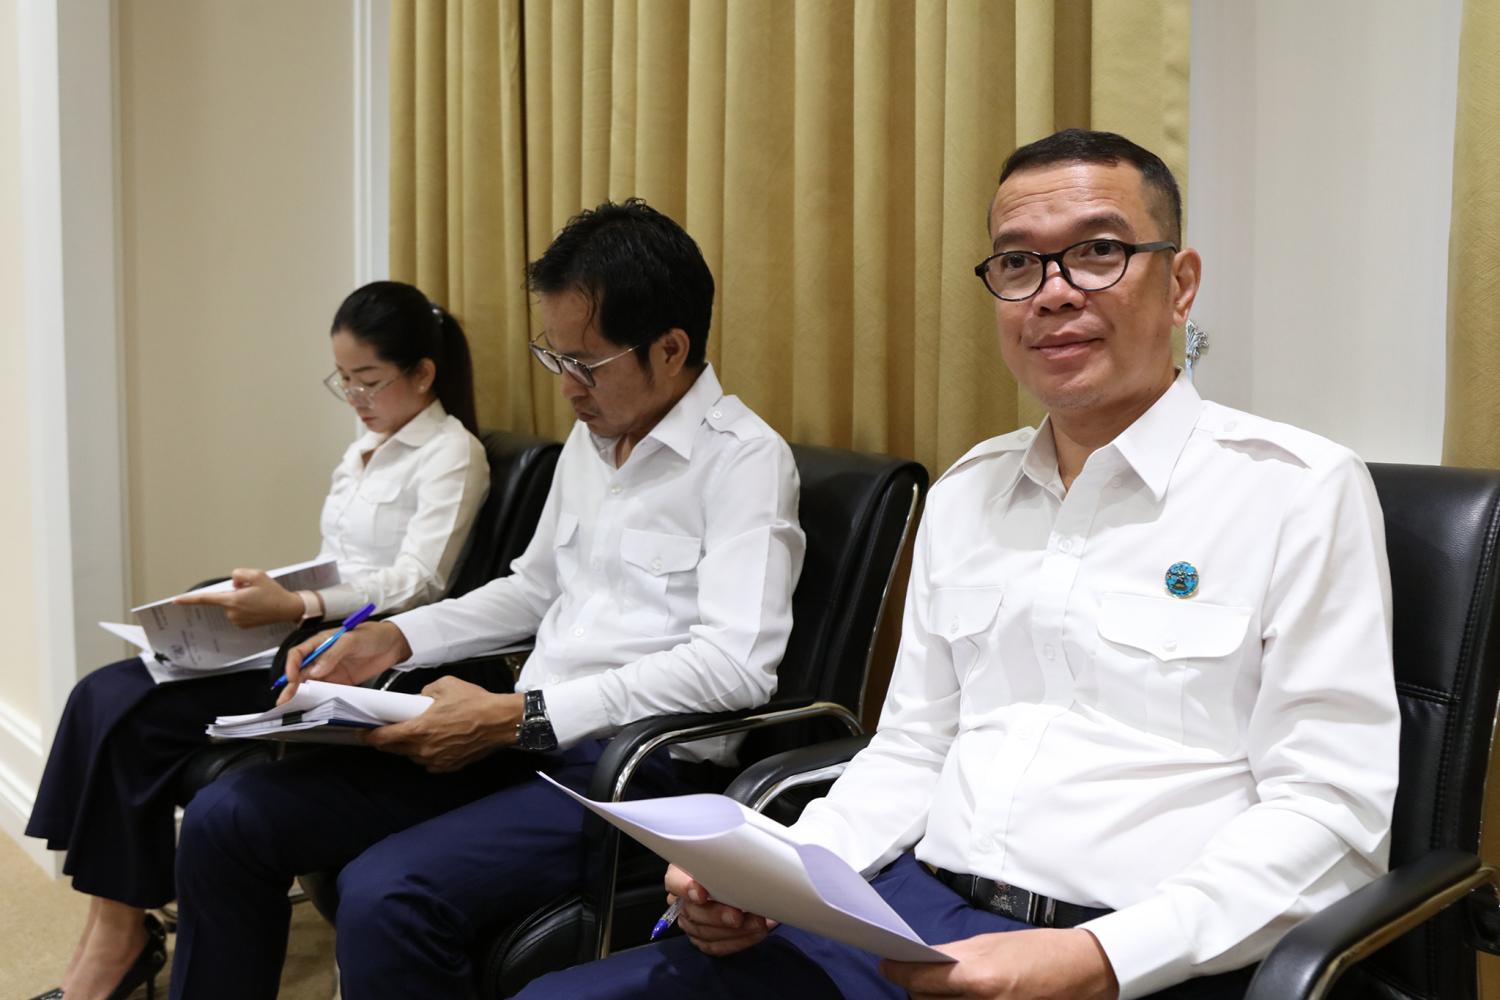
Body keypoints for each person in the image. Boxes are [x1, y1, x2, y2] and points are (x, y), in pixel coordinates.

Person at [516, 129, 1401, 1000]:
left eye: (1098, 252)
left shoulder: (1295, 491)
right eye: (1017, 263)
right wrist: (783, 872)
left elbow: (1331, 816)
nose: (1053, 293)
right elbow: (914, 747)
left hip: (1138, 953)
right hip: (905, 913)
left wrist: (1098, 958)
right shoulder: (969, 492)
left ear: (1180, 284)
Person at [166, 199, 806, 999]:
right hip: (526, 738)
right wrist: (397, 639)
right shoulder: (594, 440)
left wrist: (520, 715)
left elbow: (735, 668)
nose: (567, 387)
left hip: (633, 774)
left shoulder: (744, 461)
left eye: (587, 363)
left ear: (670, 348)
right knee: (231, 817)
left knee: (386, 895)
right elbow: (533, 588)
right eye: (555, 357)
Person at [25, 279, 490, 1000]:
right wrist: (259, 594)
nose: (355, 397)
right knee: (102, 692)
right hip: (297, 630)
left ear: (423, 373)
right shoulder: (364, 449)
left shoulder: (452, 453)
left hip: (346, 657)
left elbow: (419, 580)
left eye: (369, 379)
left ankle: (113, 949)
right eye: (342, 380)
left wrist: (299, 602)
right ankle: (111, 929)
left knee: (134, 717)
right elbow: (337, 559)